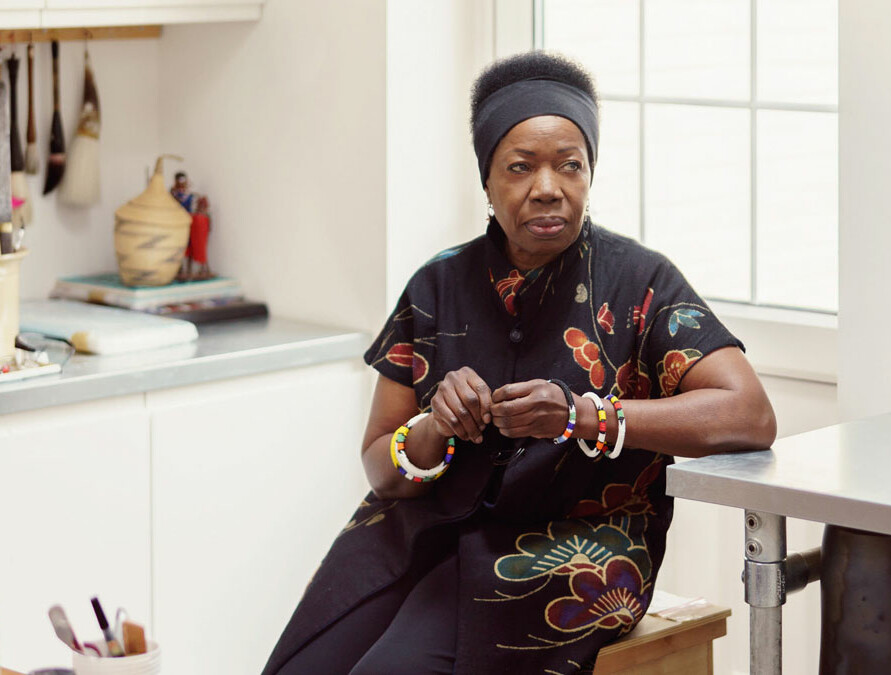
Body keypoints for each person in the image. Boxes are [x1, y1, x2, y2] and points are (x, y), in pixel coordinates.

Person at [262, 51, 776, 675]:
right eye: (521, 167)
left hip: (572, 547)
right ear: (487, 179)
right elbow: (382, 468)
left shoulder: (640, 283)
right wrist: (434, 428)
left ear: (590, 173)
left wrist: (585, 418)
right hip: (424, 532)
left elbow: (748, 414)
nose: (548, 187)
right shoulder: (437, 286)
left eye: (570, 165)